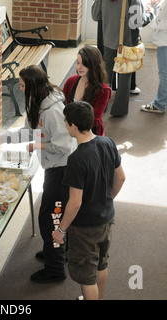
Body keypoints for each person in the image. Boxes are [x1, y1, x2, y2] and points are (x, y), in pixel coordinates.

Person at [4, 65, 77, 283]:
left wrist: (39, 145)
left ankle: (55, 268)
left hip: (62, 169)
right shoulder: (37, 101)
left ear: (33, 86)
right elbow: (30, 130)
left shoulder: (53, 111)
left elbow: (64, 146)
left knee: (51, 218)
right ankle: (58, 250)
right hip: (53, 167)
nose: (20, 86)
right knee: (55, 214)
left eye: (23, 84)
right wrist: (4, 138)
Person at [52, 101, 126, 300]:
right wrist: (107, 199)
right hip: (106, 218)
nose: (66, 125)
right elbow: (121, 177)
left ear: (74, 126)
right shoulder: (107, 142)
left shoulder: (77, 158)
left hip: (85, 228)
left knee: (87, 277)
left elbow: (75, 203)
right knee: (101, 264)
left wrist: (60, 230)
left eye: (66, 122)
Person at [92, 0, 153, 117]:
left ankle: (100, 104)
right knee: (125, 76)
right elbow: (137, 21)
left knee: (105, 74)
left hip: (108, 39)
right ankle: (119, 110)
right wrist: (150, 14)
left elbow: (95, 15)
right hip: (127, 42)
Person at [63, 44, 111, 136]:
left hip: (90, 134)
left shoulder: (103, 90)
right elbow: (62, 106)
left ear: (93, 65)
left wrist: (71, 127)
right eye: (77, 63)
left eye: (84, 64)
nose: (79, 68)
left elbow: (94, 119)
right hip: (70, 131)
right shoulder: (71, 81)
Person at [141, 0, 167, 114]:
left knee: (164, 75)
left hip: (165, 43)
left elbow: (160, 23)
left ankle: (159, 104)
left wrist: (151, 12)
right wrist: (156, 5)